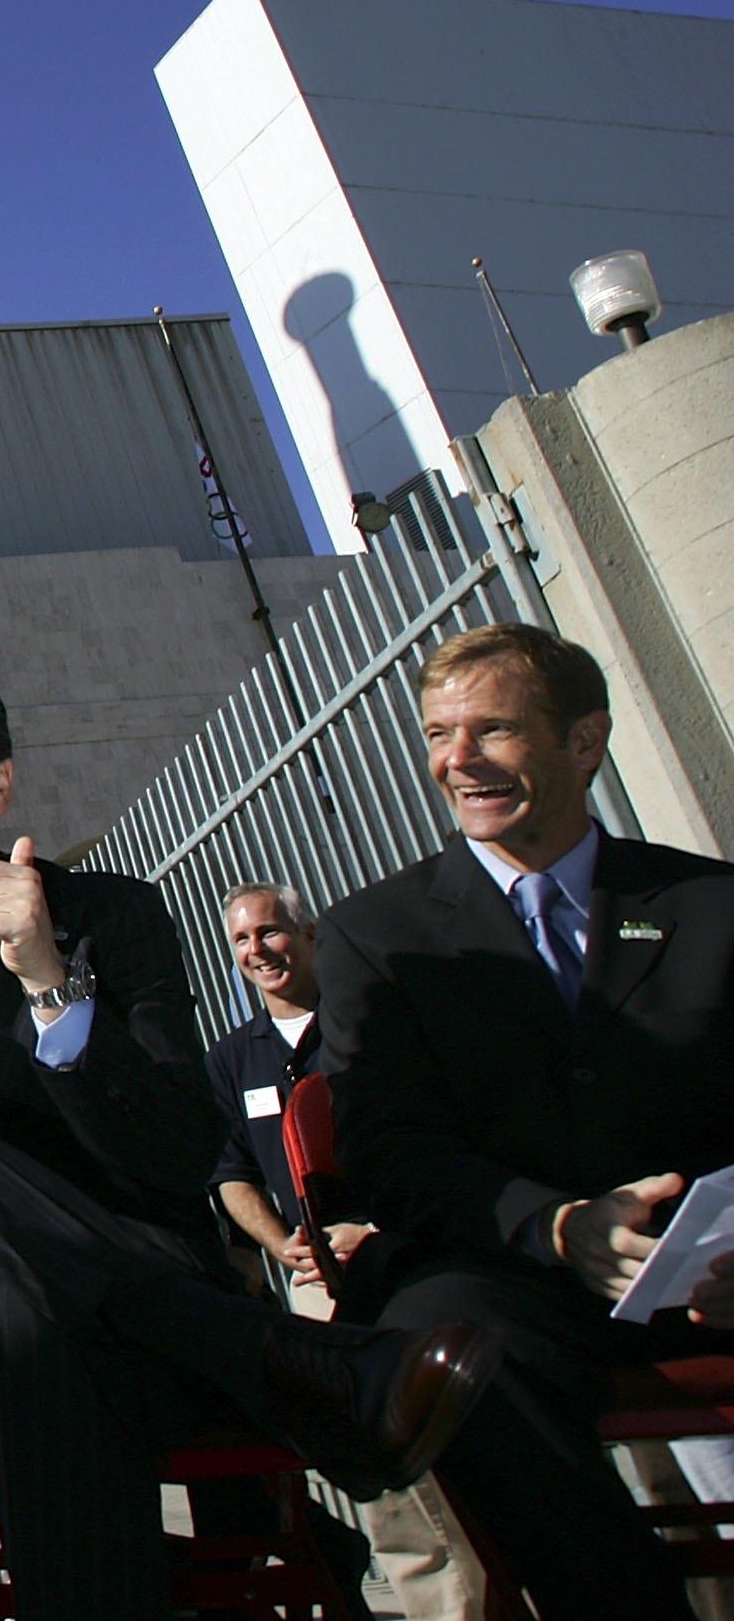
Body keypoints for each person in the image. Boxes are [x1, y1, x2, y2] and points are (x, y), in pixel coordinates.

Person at [0, 650, 501, 1619]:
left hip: (53, 1331)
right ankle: (268, 1355)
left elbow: (176, 1157)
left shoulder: (110, 919)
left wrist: (51, 986)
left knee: (11, 1324)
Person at [318, 622, 734, 1619]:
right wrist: (555, 1224)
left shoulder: (708, 904)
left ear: (583, 741)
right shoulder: (379, 936)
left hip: (716, 1265)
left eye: (492, 727)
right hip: (520, 1278)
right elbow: (390, 1155)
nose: (456, 759)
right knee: (442, 1338)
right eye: (437, 733)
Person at [209, 883, 477, 1620]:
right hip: (318, 1285)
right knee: (379, 1462)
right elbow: (230, 1173)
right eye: (241, 941)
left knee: (464, 1431)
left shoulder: (369, 1024)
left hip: (410, 1259)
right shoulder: (234, 1059)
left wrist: (377, 1229)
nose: (258, 950)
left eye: (271, 932)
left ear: (311, 935)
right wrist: (281, 1245)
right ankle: (440, 1607)